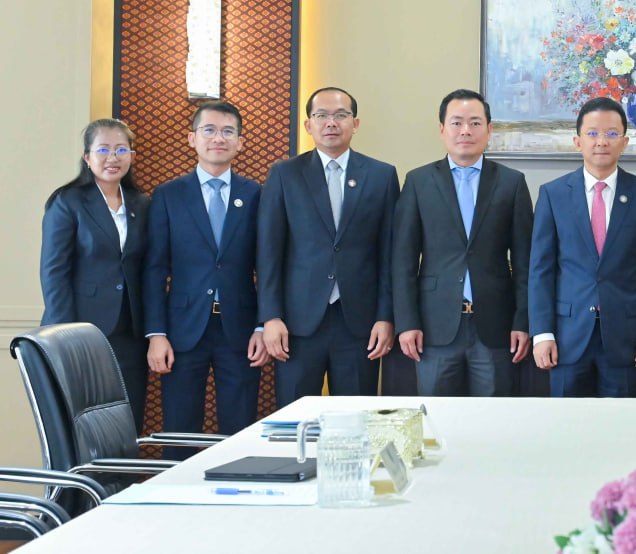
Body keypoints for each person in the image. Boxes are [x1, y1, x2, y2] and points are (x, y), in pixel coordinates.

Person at [257, 87, 399, 402]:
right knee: (295, 417)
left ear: (355, 123)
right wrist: (271, 316)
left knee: (355, 418)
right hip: (297, 322)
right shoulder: (284, 174)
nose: (331, 123)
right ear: (308, 125)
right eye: (321, 115)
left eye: (340, 115)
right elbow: (269, 252)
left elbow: (390, 254)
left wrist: (385, 316)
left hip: (360, 323)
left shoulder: (381, 175)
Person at [393, 89, 532, 396]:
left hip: (495, 327)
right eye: (456, 123)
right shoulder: (418, 181)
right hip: (434, 326)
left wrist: (522, 321)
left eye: (475, 123)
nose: (465, 131)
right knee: (438, 416)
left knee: (494, 415)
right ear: (442, 129)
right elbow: (403, 260)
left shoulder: (512, 183)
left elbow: (525, 263)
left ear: (489, 129)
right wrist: (406, 322)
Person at [528, 97, 636, 397]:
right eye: (592, 133)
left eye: (611, 133)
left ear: (625, 142)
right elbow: (541, 271)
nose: (601, 141)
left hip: (626, 338)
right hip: (566, 337)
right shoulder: (553, 195)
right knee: (567, 422)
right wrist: (542, 333)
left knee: (621, 423)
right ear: (577, 141)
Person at [143, 101, 266, 439]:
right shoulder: (168, 195)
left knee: (239, 431)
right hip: (182, 330)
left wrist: (262, 325)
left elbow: (268, 266)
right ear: (192, 138)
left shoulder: (256, 195)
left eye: (228, 131)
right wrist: (156, 333)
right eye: (209, 130)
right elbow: (154, 269)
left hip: (241, 330)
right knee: (179, 430)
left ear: (240, 142)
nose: (218, 138)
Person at [40, 118, 150, 432]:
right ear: (87, 157)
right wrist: (64, 333)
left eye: (121, 150)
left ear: (131, 155)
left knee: (127, 423)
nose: (112, 157)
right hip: (81, 329)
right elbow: (54, 272)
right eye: (103, 149)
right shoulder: (68, 202)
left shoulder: (142, 204)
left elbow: (146, 268)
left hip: (130, 333)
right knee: (83, 426)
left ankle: (122, 469)